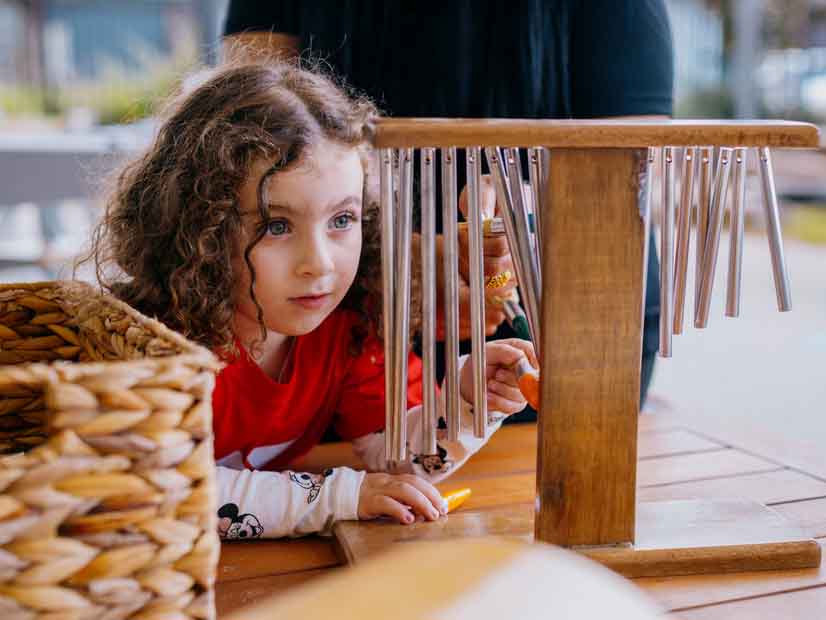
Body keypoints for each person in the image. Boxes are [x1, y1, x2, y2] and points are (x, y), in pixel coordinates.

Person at [85, 62, 537, 538]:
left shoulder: (352, 325)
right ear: (201, 230)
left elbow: (401, 465)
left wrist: (467, 400)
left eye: (342, 220)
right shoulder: (157, 345)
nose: (318, 263)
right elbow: (168, 488)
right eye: (276, 226)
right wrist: (339, 497)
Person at [222, 0, 672, 410]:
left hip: (567, 327)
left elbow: (622, 186)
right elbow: (248, 154)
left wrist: (529, 221)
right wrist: (396, 265)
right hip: (342, 325)